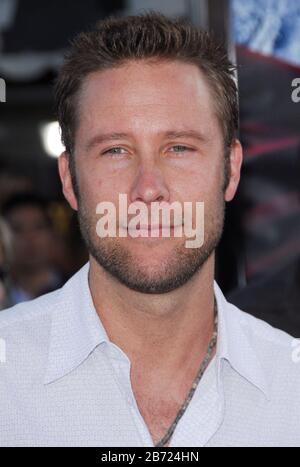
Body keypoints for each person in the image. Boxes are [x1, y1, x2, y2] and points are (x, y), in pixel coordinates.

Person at [0, 12, 299, 447]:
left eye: (178, 148)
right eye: (115, 150)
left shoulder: (290, 387)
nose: (148, 189)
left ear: (231, 169)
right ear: (69, 179)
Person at [1, 193, 66, 304]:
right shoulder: (2, 297)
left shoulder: (77, 290)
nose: (29, 238)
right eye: (17, 229)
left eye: (38, 227)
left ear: (53, 233)